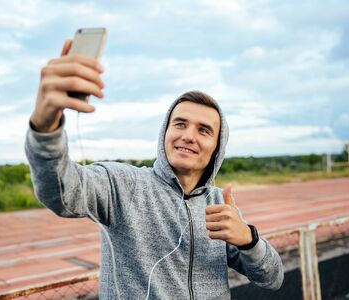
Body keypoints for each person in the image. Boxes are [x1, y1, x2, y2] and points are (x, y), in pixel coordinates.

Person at [25, 39, 284, 299]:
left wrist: (248, 240)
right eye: (180, 124)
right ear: (165, 133)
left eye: (203, 130)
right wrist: (45, 127)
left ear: (217, 148)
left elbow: (272, 279)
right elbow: (60, 191)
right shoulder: (123, 184)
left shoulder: (219, 205)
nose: (188, 136)